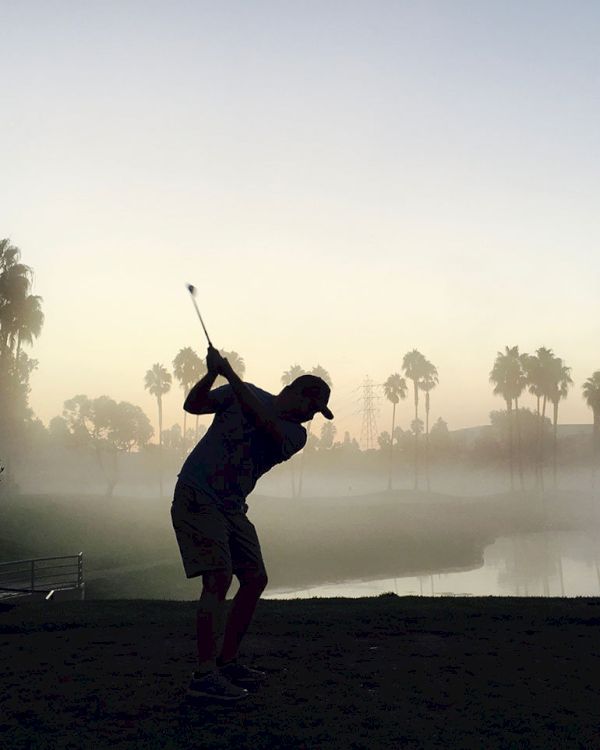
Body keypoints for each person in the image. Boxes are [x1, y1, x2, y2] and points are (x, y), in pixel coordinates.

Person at [171, 345, 333, 702]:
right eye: (310, 406)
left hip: (231, 507)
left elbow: (263, 421)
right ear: (291, 392)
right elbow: (193, 406)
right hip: (197, 494)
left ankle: (227, 662)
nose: (311, 417)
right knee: (218, 578)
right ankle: (205, 674)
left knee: (255, 578)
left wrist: (230, 375)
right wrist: (214, 373)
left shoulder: (295, 436)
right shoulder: (238, 393)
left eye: (316, 412)